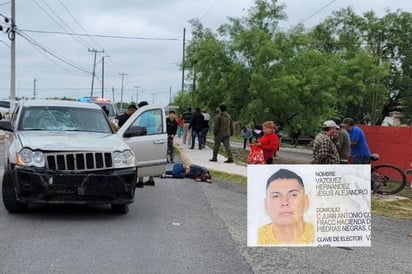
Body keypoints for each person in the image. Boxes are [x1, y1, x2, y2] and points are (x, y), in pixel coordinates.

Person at [257, 168, 314, 245]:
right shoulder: (256, 236)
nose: (285, 202)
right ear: (266, 205)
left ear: (306, 201)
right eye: (276, 196)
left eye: (293, 195)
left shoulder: (320, 235)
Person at [342, 118, 379, 191]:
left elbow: (354, 142)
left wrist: (344, 144)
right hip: (357, 154)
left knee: (359, 172)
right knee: (361, 172)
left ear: (348, 125)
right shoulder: (349, 131)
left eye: (344, 125)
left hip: (361, 154)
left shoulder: (356, 131)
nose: (343, 126)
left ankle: (374, 183)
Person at [137, 101, 156, 186]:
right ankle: (151, 179)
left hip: (145, 140)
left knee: (142, 160)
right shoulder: (153, 116)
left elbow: (141, 128)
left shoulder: (143, 116)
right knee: (151, 160)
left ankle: (140, 180)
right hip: (153, 139)